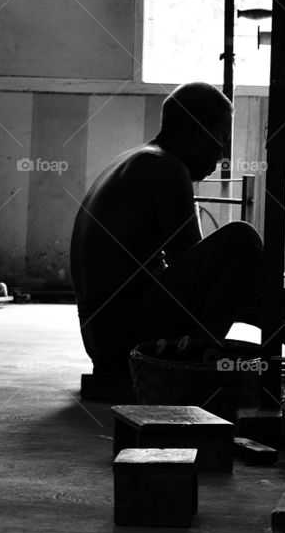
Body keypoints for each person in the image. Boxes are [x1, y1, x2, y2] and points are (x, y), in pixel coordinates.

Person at [70, 81, 264, 375]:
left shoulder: (138, 159)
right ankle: (197, 360)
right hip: (124, 337)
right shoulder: (167, 168)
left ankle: (196, 350)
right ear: (198, 133)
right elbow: (195, 269)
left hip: (103, 337)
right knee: (242, 240)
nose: (221, 156)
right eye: (221, 140)